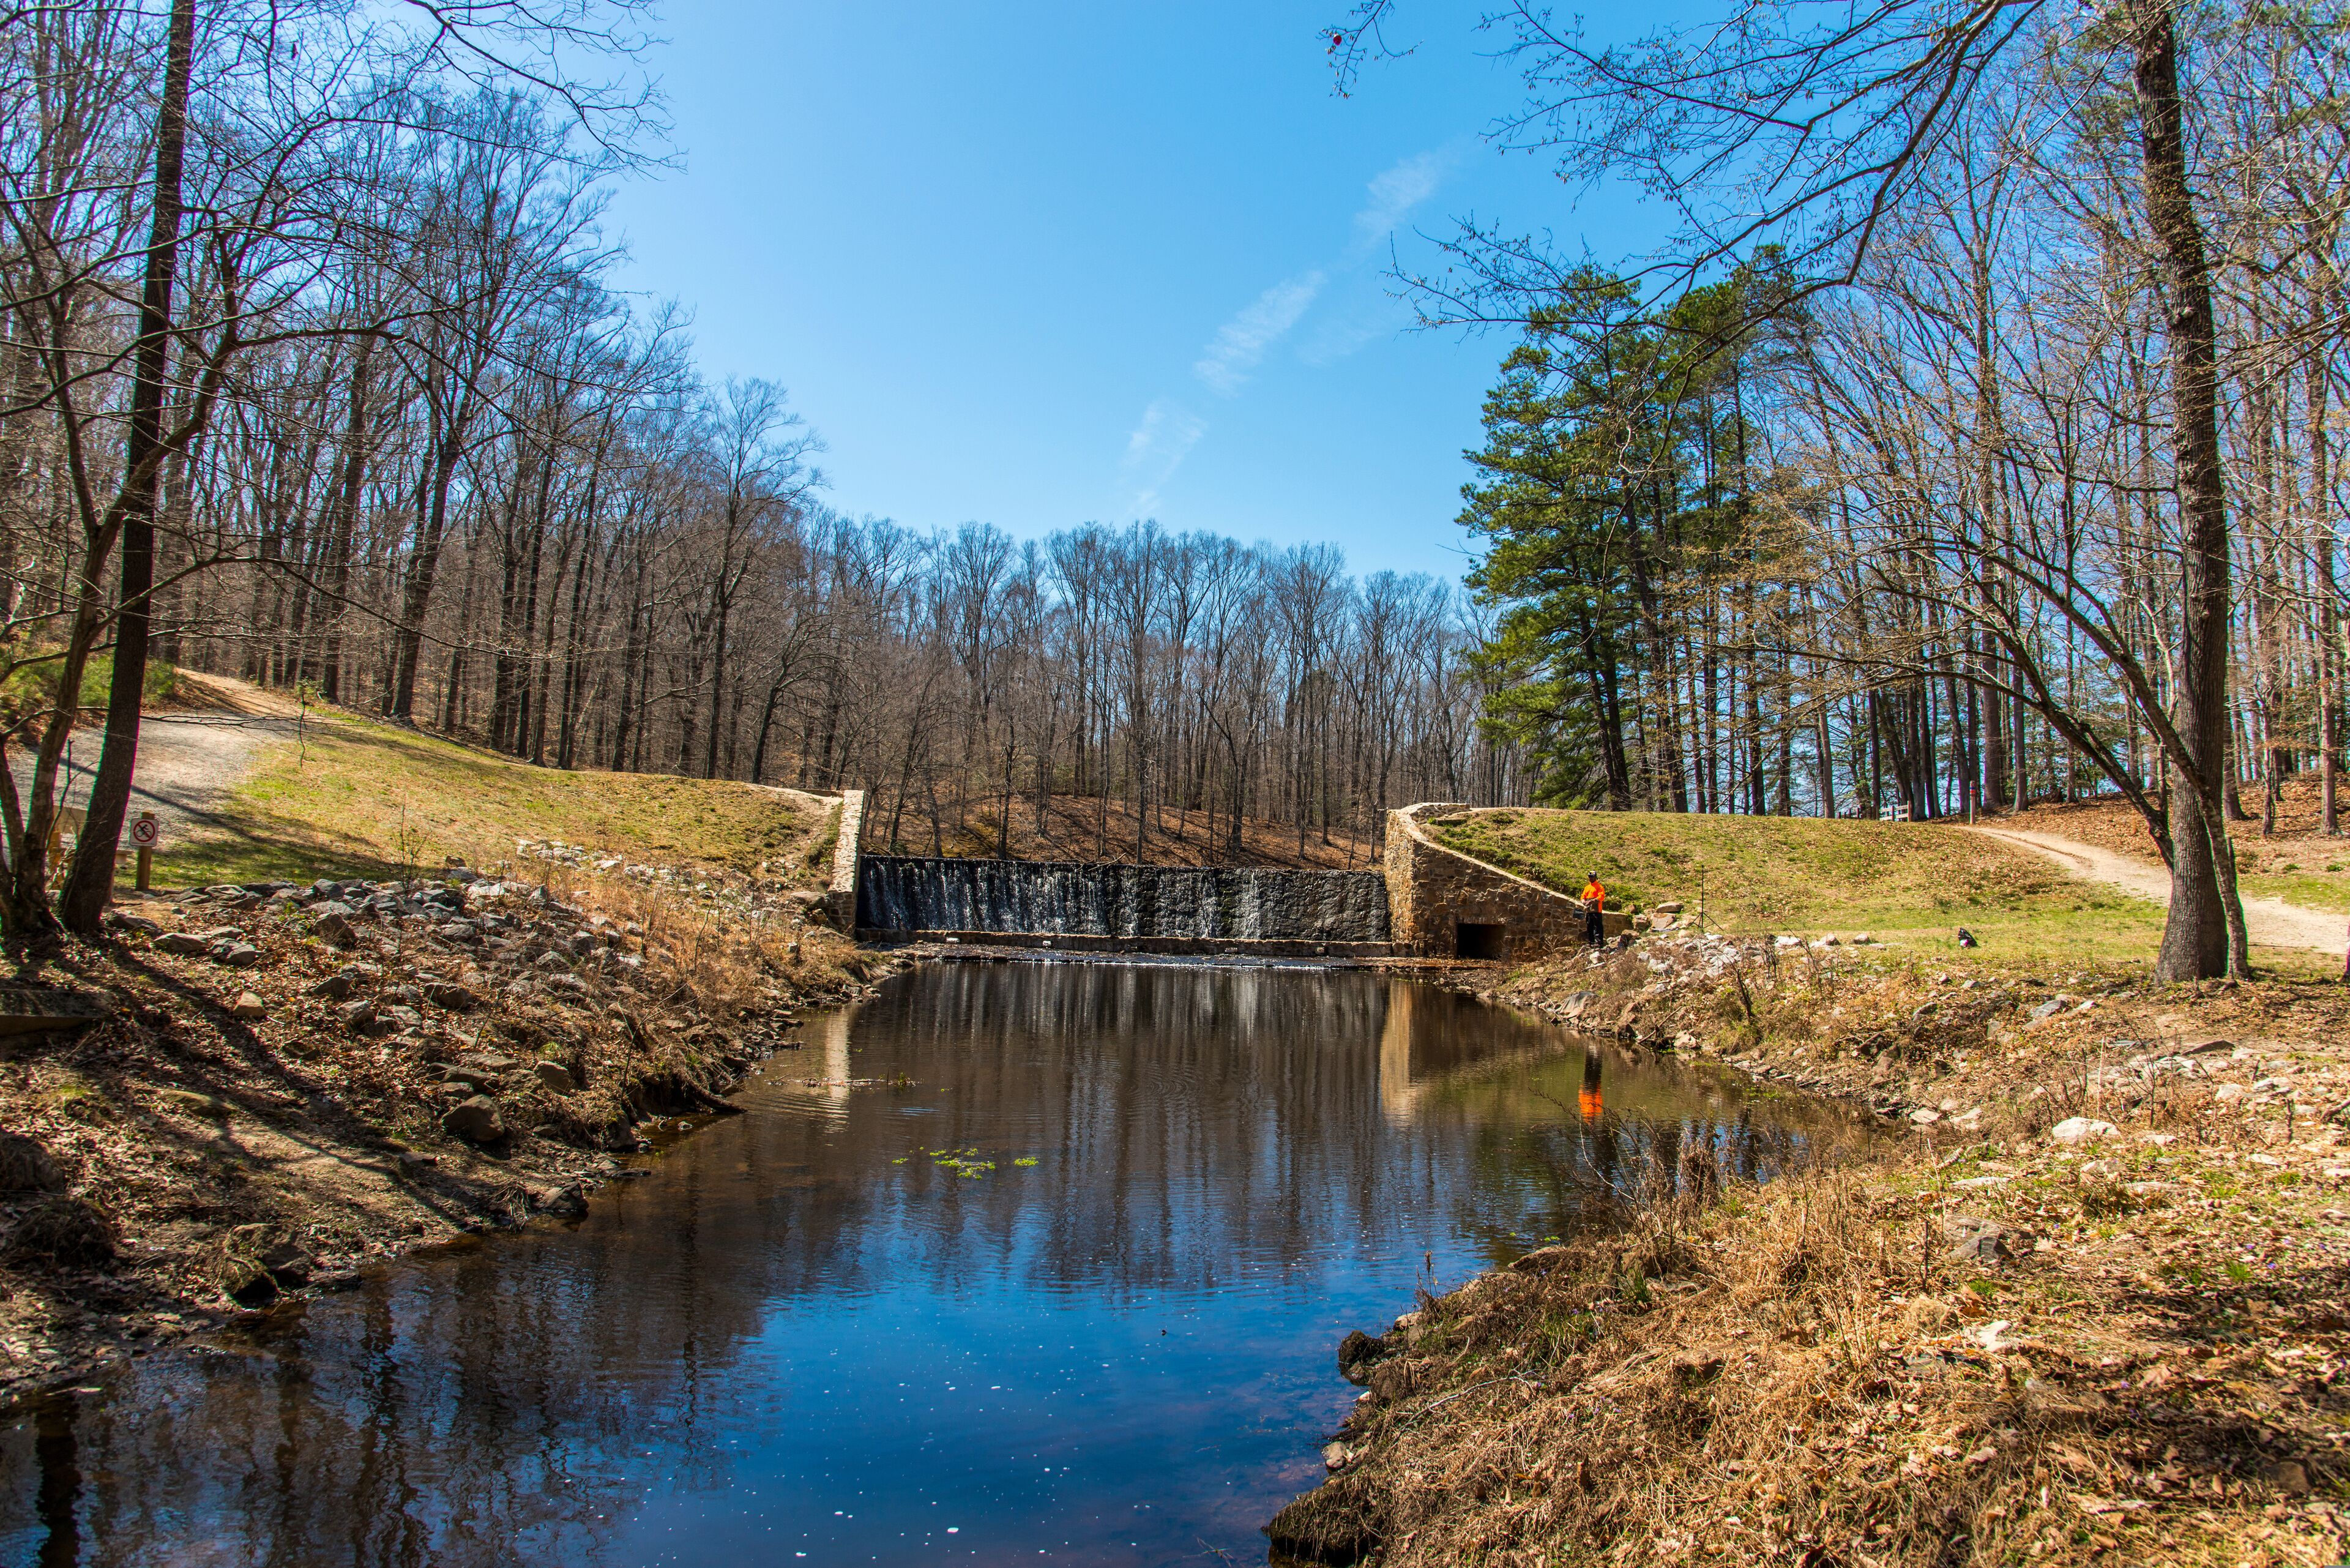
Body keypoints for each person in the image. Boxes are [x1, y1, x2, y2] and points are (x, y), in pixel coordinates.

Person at [1581, 872, 1606, 948]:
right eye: (1589, 877)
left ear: (1595, 877)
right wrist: (1583, 901)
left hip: (1597, 911)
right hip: (1589, 911)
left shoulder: (1599, 887)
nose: (1590, 878)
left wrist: (1593, 901)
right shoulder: (1587, 887)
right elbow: (1583, 896)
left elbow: (1601, 897)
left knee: (1598, 927)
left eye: (1592, 877)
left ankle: (1599, 943)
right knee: (1590, 927)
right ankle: (1591, 942)